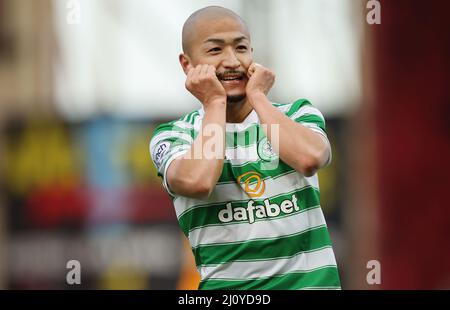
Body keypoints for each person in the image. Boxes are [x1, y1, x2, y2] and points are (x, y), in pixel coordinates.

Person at [150, 6, 341, 290]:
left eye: (241, 48)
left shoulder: (297, 114)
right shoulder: (174, 135)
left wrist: (259, 98)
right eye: (215, 51)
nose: (232, 61)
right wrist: (215, 102)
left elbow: (311, 158)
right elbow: (198, 181)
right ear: (187, 65)